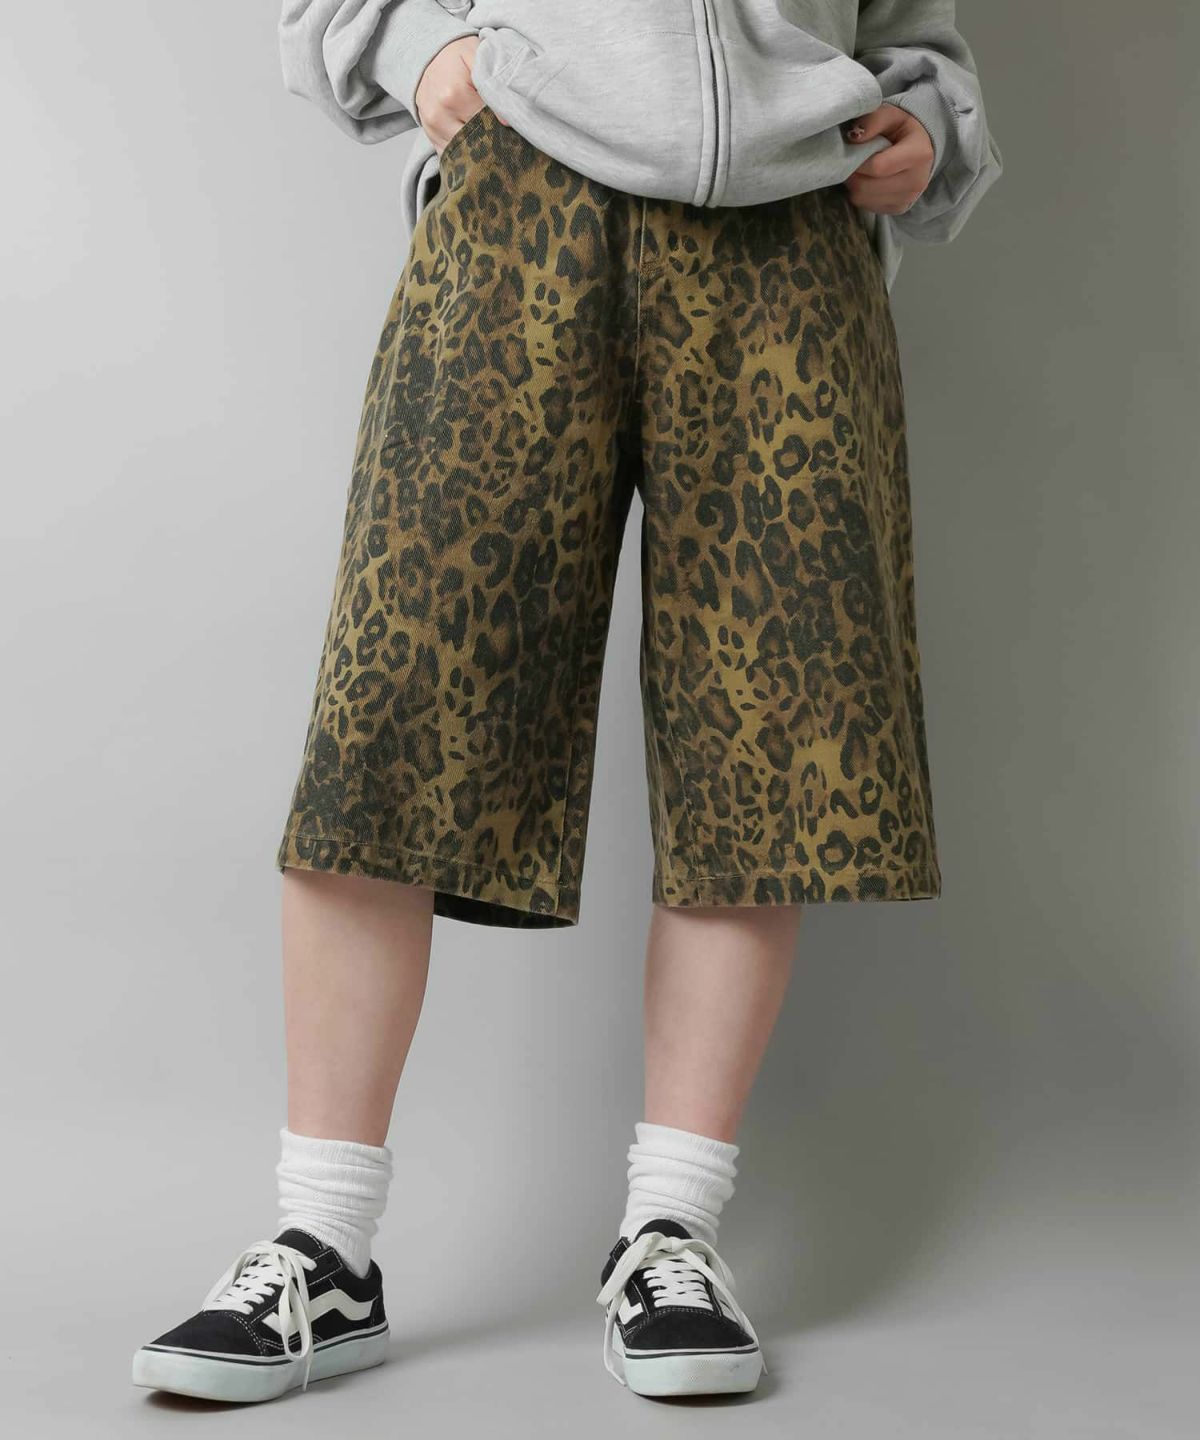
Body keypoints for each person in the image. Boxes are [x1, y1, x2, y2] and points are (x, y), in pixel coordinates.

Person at [132, 0, 1001, 1405]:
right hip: (521, 210)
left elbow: (911, 30)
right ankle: (323, 1245)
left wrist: (926, 123)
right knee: (395, 713)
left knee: (765, 747)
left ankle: (672, 1232)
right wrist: (423, 54)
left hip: (793, 244)